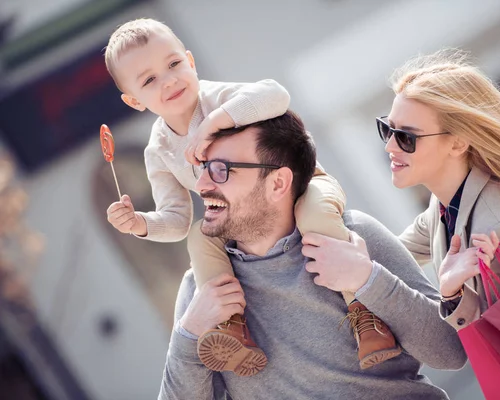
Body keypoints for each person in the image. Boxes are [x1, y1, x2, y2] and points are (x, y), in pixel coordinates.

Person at [102, 18, 399, 375]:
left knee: (317, 218)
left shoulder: (219, 99)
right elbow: (177, 219)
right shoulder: (159, 150)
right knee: (200, 237)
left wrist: (214, 124)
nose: (169, 80)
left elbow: (276, 95)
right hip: (242, 218)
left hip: (301, 186)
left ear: (191, 61)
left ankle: (363, 312)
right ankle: (232, 328)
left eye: (173, 64)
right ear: (135, 101)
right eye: (150, 80)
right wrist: (140, 223)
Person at [158, 111, 467, 399]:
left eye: (221, 170)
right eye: (203, 169)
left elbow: (450, 351)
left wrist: (367, 279)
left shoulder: (353, 236)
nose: (201, 184)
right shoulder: (201, 291)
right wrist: (189, 334)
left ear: (278, 183)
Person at [308, 49, 500, 332]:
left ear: (458, 143)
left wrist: (451, 295)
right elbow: (390, 256)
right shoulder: (445, 206)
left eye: (406, 137)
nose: (390, 146)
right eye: (387, 129)